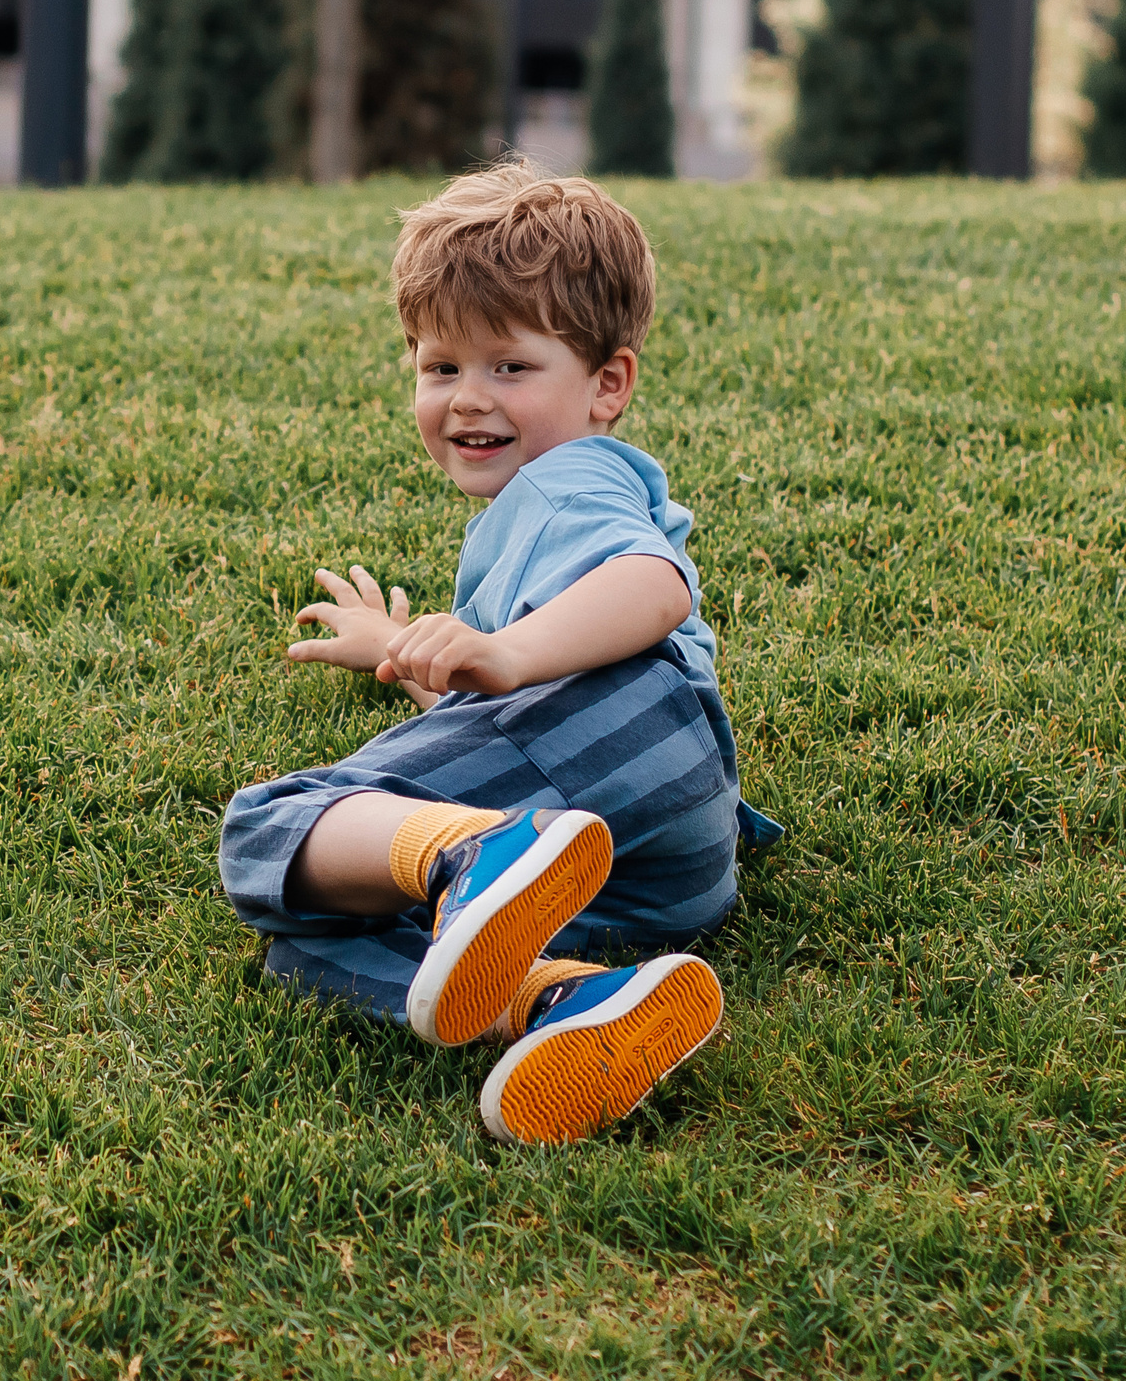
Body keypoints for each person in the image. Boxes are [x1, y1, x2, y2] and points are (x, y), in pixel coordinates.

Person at [219, 165, 783, 1144]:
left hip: (616, 729)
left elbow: (653, 584)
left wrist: (510, 654)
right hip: (668, 868)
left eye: (508, 366)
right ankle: (568, 1000)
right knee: (306, 939)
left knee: (267, 827)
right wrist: (399, 645)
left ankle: (473, 850)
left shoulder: (569, 482)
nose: (467, 399)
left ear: (608, 383)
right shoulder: (556, 494)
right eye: (440, 367)